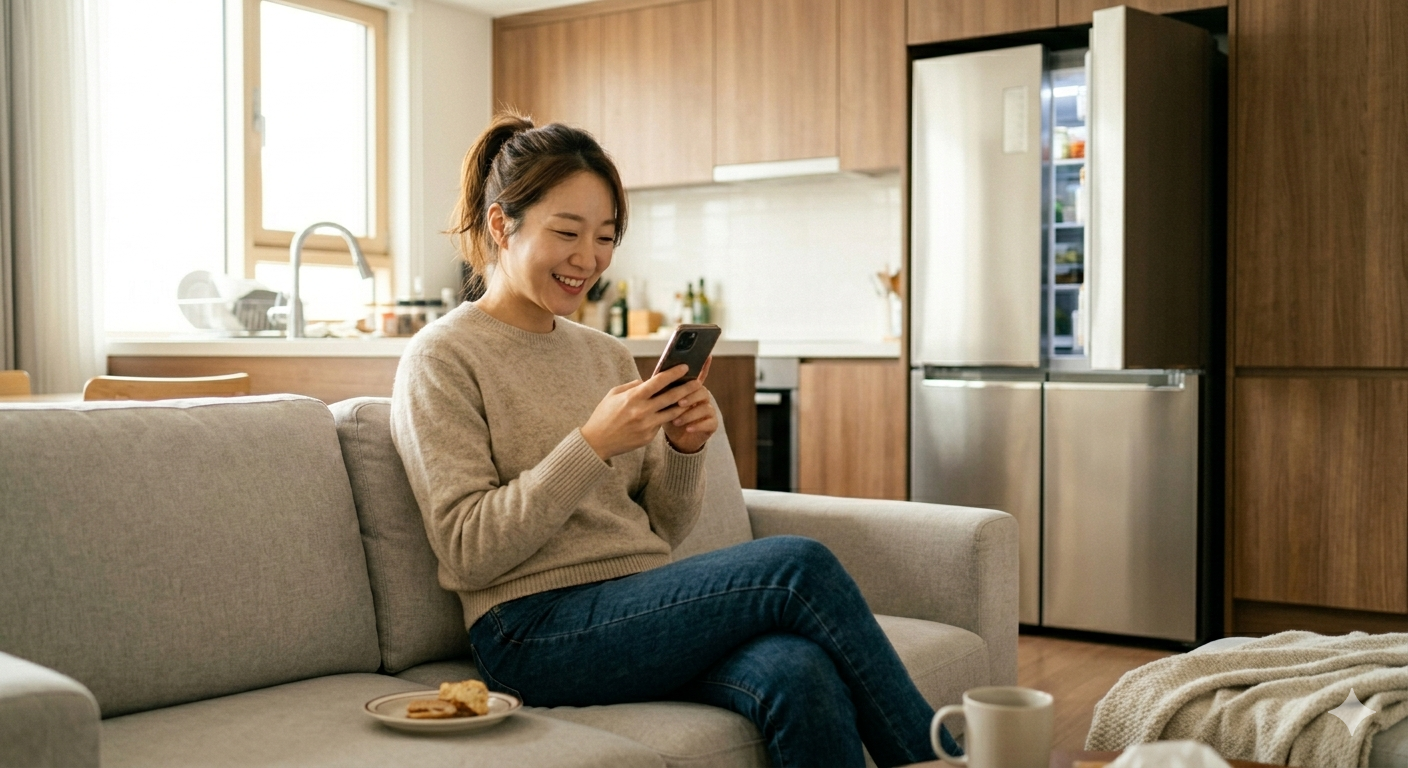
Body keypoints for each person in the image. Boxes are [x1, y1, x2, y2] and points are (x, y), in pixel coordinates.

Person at [389, 112, 957, 768]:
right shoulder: (442, 357)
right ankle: (943, 761)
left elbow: (662, 529)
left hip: (637, 604)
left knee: (799, 671)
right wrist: (591, 445)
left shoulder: (604, 354)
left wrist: (684, 450)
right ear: (500, 225)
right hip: (529, 631)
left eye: (605, 237)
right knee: (798, 565)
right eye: (567, 232)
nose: (588, 259)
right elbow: (468, 552)